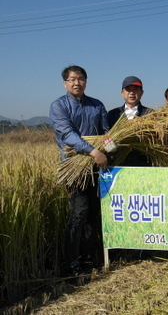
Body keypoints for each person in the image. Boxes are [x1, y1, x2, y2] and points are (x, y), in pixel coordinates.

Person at [49, 65, 109, 276]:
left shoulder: (96, 105)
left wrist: (111, 146)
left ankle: (90, 260)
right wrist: (94, 151)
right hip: (74, 169)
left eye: (81, 79)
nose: (77, 83)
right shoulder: (59, 106)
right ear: (65, 83)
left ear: (86, 81)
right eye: (72, 79)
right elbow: (68, 135)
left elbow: (106, 133)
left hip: (96, 168)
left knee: (93, 214)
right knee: (79, 213)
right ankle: (72, 263)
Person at [107, 76, 154, 166]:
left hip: (143, 163)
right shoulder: (113, 114)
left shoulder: (150, 114)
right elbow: (105, 135)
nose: (132, 93)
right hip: (117, 164)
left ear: (142, 92)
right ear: (122, 93)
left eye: (136, 89)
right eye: (128, 89)